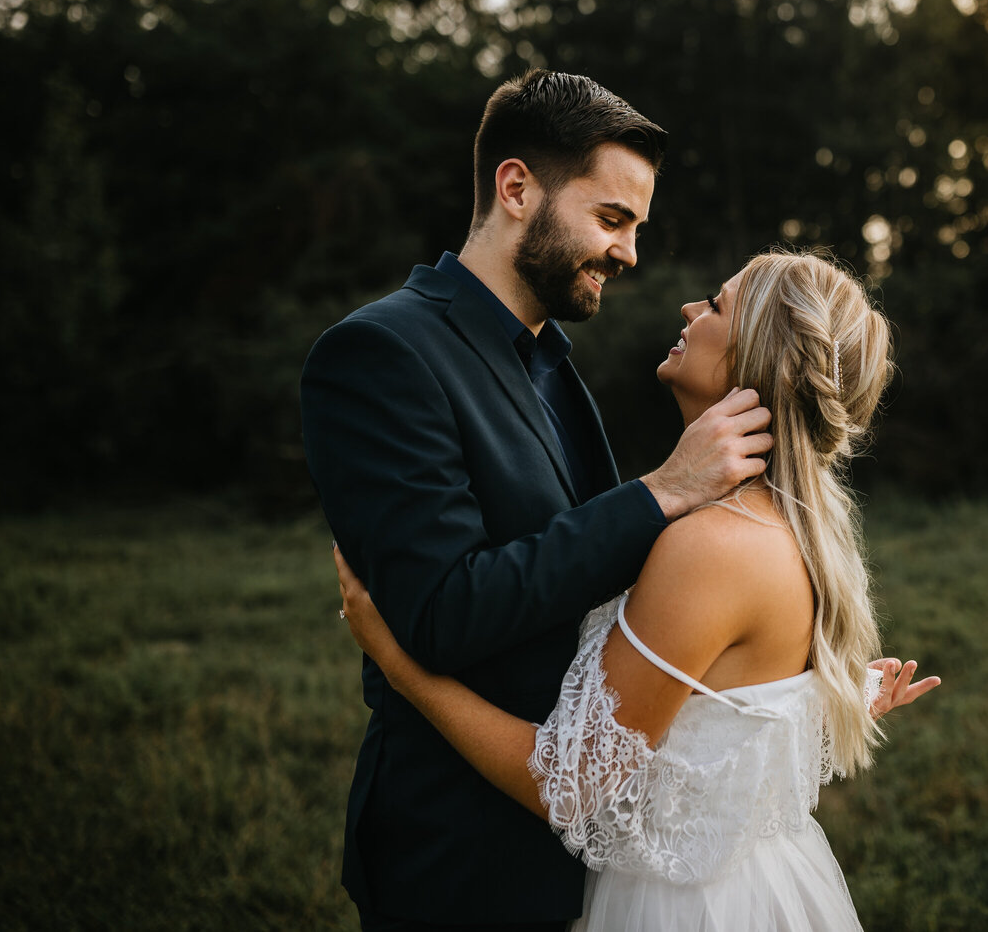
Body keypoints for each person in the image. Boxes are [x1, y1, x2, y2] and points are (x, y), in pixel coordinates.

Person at [300, 69, 780, 931]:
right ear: (516, 187)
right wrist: (663, 490)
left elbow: (601, 585)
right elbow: (442, 612)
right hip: (461, 851)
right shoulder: (379, 354)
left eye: (635, 225)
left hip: (572, 833)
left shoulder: (548, 358)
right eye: (611, 218)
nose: (630, 252)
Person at [335, 249, 941, 931]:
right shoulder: (796, 527)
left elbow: (568, 786)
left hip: (690, 908)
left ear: (760, 360)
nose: (690, 309)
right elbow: (727, 699)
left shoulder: (712, 545)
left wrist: (400, 664)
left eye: (716, 305)